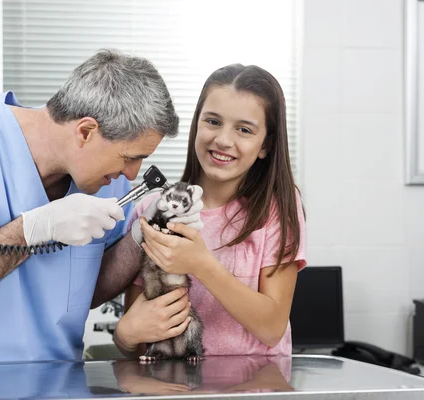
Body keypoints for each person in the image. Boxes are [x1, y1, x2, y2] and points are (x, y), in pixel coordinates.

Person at [0, 49, 204, 365]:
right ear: (86, 131)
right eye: (130, 157)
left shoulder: (106, 180)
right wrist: (30, 230)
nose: (132, 173)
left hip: (52, 378)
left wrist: (142, 233)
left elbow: (81, 293)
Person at [112, 63, 307, 358]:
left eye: (243, 129)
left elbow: (271, 328)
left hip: (254, 387)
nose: (223, 140)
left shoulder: (277, 208)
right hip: (172, 386)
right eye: (213, 122)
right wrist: (125, 337)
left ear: (265, 144)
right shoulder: (152, 211)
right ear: (196, 125)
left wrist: (201, 263)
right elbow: (142, 341)